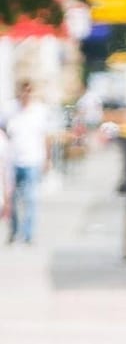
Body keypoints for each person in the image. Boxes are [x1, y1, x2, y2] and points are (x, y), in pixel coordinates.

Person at [5, 82, 51, 245]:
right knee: (13, 198)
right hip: (12, 160)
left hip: (33, 159)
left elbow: (46, 136)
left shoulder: (39, 111)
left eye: (29, 92)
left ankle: (28, 234)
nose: (26, 95)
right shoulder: (9, 109)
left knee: (30, 198)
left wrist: (47, 159)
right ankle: (14, 230)